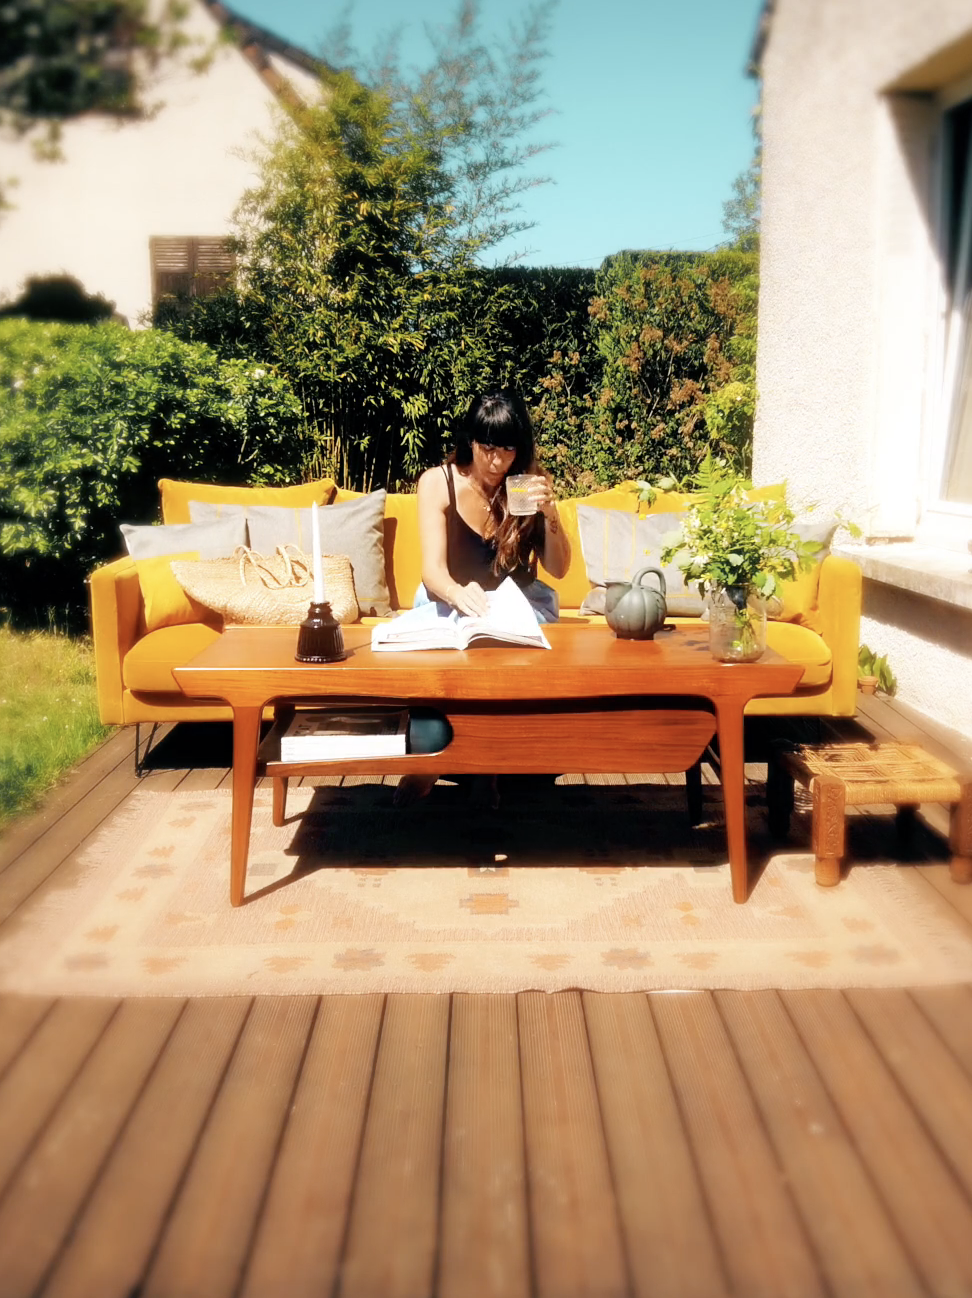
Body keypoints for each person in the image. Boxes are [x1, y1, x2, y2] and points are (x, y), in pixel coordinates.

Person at [395, 389, 571, 806]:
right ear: (470, 441)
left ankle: (487, 768)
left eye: (507, 450)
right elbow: (432, 571)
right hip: (450, 599)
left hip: (516, 604)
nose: (496, 462)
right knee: (448, 656)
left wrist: (551, 515)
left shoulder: (526, 484)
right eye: (487, 448)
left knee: (501, 653)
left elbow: (559, 568)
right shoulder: (439, 483)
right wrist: (458, 594)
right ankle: (430, 760)